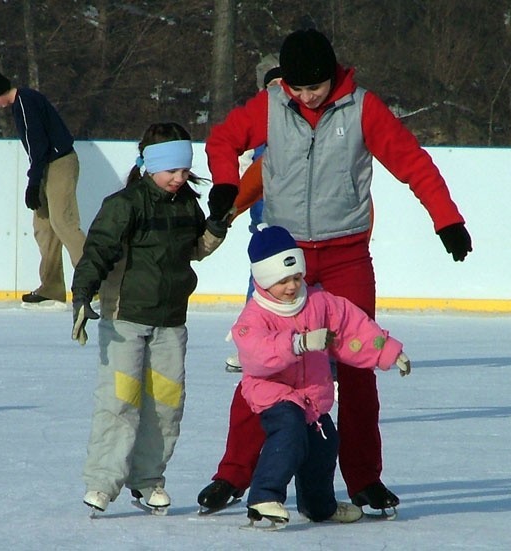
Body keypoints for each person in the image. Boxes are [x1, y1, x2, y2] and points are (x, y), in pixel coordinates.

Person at [199, 28, 472, 515]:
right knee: (265, 365)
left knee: (360, 363)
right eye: (297, 89)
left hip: (346, 255)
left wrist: (446, 218)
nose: (306, 97)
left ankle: (365, 479)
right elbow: (222, 138)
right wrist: (224, 184)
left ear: (333, 76)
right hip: (286, 258)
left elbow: (412, 161)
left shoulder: (363, 108)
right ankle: (233, 474)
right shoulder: (271, 104)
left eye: (315, 88)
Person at [70, 122, 227, 515]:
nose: (178, 178)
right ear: (149, 165)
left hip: (172, 321)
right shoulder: (125, 204)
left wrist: (217, 224)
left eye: (183, 170)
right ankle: (103, 482)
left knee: (166, 406)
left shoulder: (188, 203)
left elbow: (194, 250)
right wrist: (82, 295)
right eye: (171, 170)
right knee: (120, 401)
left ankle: (148, 478)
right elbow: (98, 251)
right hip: (126, 320)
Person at [234, 224, 410, 528]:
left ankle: (319, 505)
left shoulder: (318, 302)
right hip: (272, 392)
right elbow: (256, 355)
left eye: (296, 277)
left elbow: (352, 327)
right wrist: (298, 343)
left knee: (326, 442)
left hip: (311, 399)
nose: (291, 287)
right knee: (289, 431)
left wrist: (389, 352)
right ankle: (264, 495)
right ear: (263, 280)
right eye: (281, 281)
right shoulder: (255, 315)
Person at [0, 69, 86, 305]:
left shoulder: (25, 101)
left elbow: (38, 144)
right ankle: (51, 288)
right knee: (44, 227)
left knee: (63, 223)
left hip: (59, 163)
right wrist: (36, 180)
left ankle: (96, 281)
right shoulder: (21, 104)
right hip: (47, 165)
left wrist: (33, 182)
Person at [225, 55, 282, 373]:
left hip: (298, 216)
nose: (276, 91)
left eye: (281, 84)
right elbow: (243, 164)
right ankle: (251, 343)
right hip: (264, 214)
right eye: (270, 85)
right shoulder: (255, 121)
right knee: (261, 275)